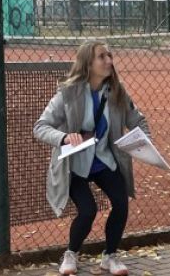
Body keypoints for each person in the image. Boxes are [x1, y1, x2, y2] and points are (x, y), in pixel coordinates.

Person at [33, 40, 151, 276]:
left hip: (104, 160)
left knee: (121, 203)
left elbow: (138, 121)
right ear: (87, 63)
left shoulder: (117, 91)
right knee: (88, 210)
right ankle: (71, 253)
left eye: (109, 55)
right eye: (102, 57)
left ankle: (110, 256)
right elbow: (40, 127)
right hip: (75, 164)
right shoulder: (68, 92)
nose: (109, 60)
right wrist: (64, 137)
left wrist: (143, 141)